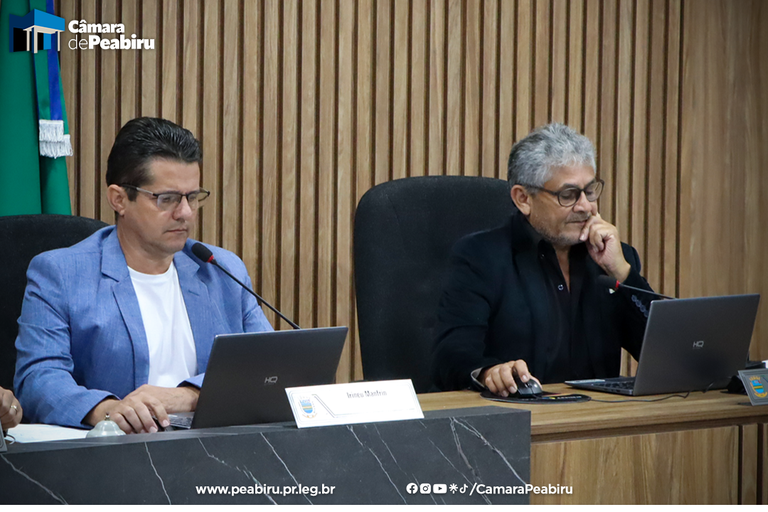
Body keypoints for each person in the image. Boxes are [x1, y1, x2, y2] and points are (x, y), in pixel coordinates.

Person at [14, 117, 272, 433]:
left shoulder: (221, 270)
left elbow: (268, 368)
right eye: (167, 199)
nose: (185, 213)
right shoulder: (61, 274)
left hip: (212, 447)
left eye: (192, 197)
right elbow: (38, 380)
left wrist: (190, 396)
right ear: (119, 199)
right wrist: (108, 410)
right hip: (115, 452)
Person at [432, 123, 653, 395]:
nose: (586, 206)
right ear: (523, 199)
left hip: (601, 416)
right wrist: (490, 372)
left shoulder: (615, 259)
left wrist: (622, 273)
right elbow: (450, 356)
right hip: (521, 414)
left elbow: (663, 353)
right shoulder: (480, 257)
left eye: (590, 191)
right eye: (568, 195)